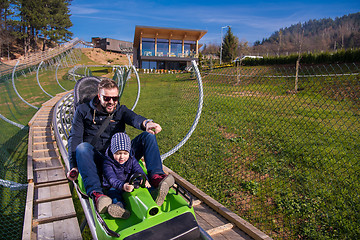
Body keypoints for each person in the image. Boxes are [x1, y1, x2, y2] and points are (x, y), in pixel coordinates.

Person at [67, 78, 174, 214]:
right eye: (107, 98)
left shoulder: (119, 110)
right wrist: (73, 166)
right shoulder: (83, 111)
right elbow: (74, 138)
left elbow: (134, 118)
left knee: (148, 136)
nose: (111, 102)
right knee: (82, 148)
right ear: (99, 96)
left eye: (115, 98)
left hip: (119, 156)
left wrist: (147, 123)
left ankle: (156, 178)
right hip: (98, 158)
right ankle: (97, 195)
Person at [103, 132, 174, 218]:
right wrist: (122, 186)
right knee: (113, 193)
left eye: (125, 153)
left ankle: (156, 194)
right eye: (118, 153)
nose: (122, 157)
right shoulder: (108, 164)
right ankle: (119, 208)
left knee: (145, 185)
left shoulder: (131, 159)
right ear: (112, 151)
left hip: (130, 181)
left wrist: (143, 178)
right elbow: (111, 179)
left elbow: (138, 169)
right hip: (117, 185)